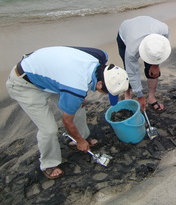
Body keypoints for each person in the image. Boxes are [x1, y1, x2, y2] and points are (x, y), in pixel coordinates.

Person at [6, 46, 129, 180]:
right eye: (107, 92)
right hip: (24, 83)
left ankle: (82, 138)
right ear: (99, 84)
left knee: (78, 107)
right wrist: (79, 139)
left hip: (50, 75)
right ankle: (49, 164)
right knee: (49, 129)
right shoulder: (76, 87)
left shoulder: (100, 56)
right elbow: (67, 121)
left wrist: (77, 100)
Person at [116, 15, 171, 112]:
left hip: (148, 25)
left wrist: (155, 65)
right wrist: (140, 97)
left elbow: (160, 51)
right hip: (125, 32)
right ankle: (127, 94)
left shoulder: (164, 31)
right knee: (127, 67)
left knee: (154, 71)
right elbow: (132, 72)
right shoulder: (132, 50)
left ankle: (151, 98)